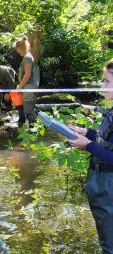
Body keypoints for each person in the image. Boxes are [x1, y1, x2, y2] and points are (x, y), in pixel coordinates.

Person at [68, 59, 113, 253]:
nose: (101, 85)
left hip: (110, 187)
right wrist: (87, 133)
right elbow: (106, 142)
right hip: (103, 184)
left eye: (107, 81)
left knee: (110, 242)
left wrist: (88, 145)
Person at [14, 36, 40, 126]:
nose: (17, 51)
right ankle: (30, 128)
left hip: (29, 88)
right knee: (27, 107)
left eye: (17, 49)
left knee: (28, 110)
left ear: (20, 47)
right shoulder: (28, 57)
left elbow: (27, 75)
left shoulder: (27, 58)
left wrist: (20, 87)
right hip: (28, 87)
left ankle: (33, 131)